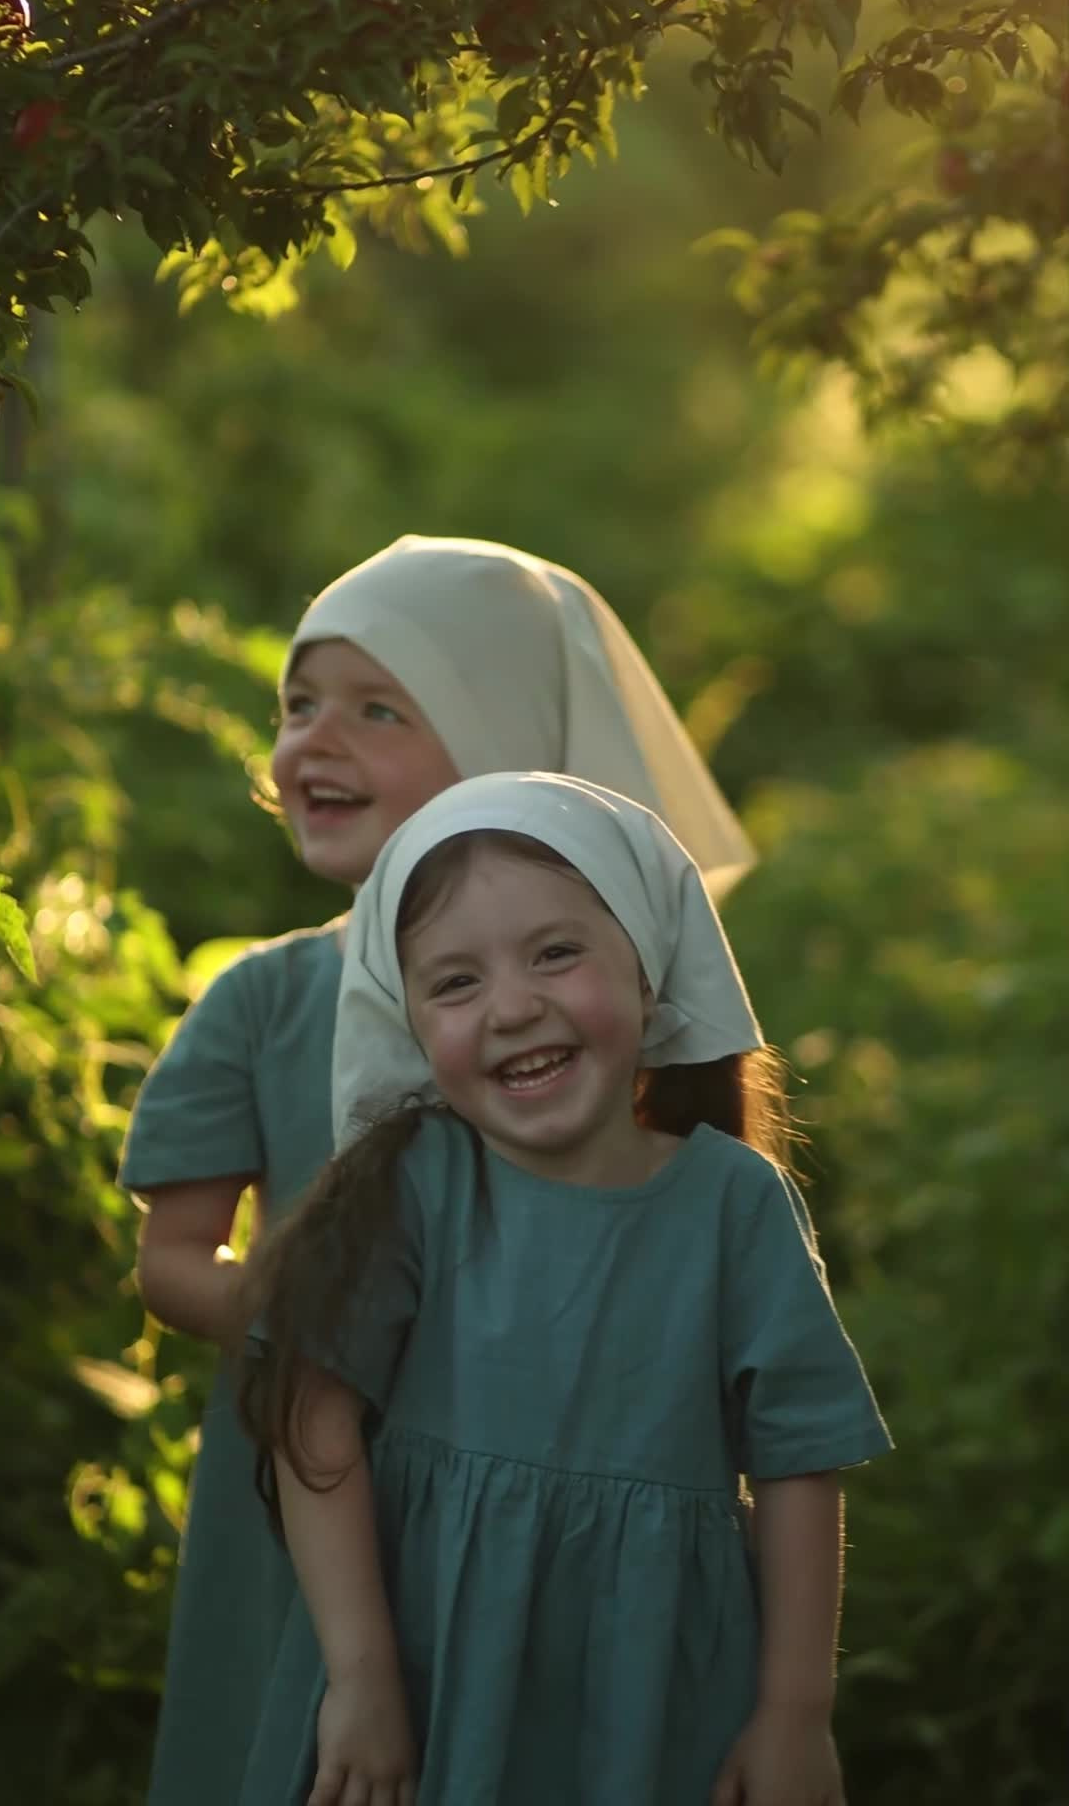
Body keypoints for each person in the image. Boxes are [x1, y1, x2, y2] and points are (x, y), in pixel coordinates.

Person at [119, 535, 757, 1806]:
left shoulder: (597, 1015)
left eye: (377, 707)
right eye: (297, 707)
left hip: (554, 1491)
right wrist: (327, 1331)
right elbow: (170, 1260)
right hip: (310, 1490)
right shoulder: (264, 1000)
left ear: (509, 743)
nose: (314, 741)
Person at [239, 772, 892, 1806]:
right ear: (407, 1020)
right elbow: (311, 1421)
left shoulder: (733, 1204)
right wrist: (360, 1678)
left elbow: (799, 1464)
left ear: (647, 970)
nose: (512, 1006)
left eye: (555, 953)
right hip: (422, 1673)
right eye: (455, 983)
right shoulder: (416, 1185)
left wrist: (793, 1715)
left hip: (650, 1700)